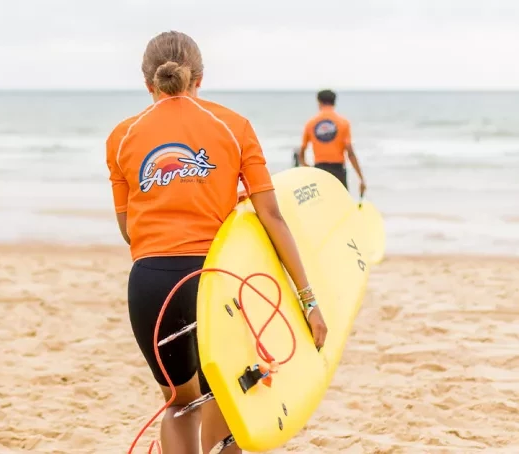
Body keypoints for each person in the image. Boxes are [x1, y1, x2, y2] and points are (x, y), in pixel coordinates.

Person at [106, 31, 328, 454]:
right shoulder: (234, 126)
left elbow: (130, 230)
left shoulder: (121, 137)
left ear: (147, 82)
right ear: (200, 78)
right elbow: (273, 217)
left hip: (152, 283)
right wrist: (308, 299)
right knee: (226, 397)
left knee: (179, 405)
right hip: (216, 278)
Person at [297, 89, 366, 196]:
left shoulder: (310, 123)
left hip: (319, 170)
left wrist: (309, 169)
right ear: (334, 102)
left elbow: (301, 154)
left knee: (322, 206)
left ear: (319, 102)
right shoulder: (343, 122)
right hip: (338, 170)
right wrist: (361, 178)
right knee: (341, 205)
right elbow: (350, 153)